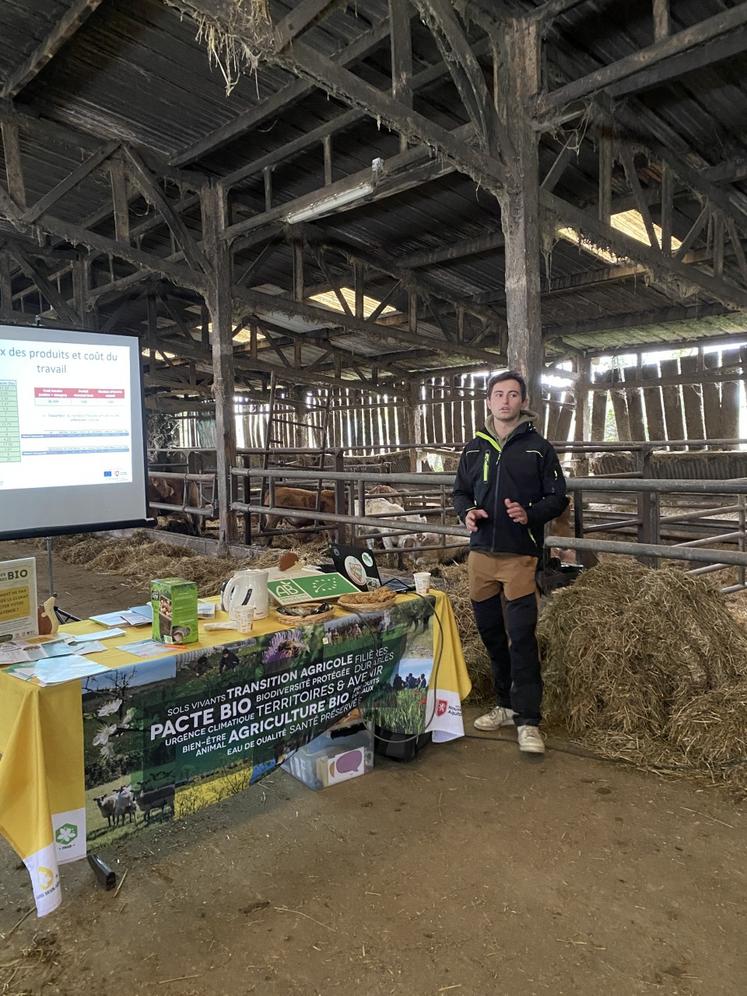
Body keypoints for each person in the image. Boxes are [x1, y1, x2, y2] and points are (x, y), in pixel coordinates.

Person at [452, 370, 568, 755]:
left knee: (521, 637)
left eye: (512, 394)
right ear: (488, 401)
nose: (505, 400)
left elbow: (558, 496)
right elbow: (459, 492)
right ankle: (504, 704)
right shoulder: (474, 448)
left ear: (522, 402)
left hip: (519, 557)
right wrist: (466, 512)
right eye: (498, 394)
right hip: (481, 557)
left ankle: (529, 720)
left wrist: (530, 514)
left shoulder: (538, 448)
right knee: (491, 635)